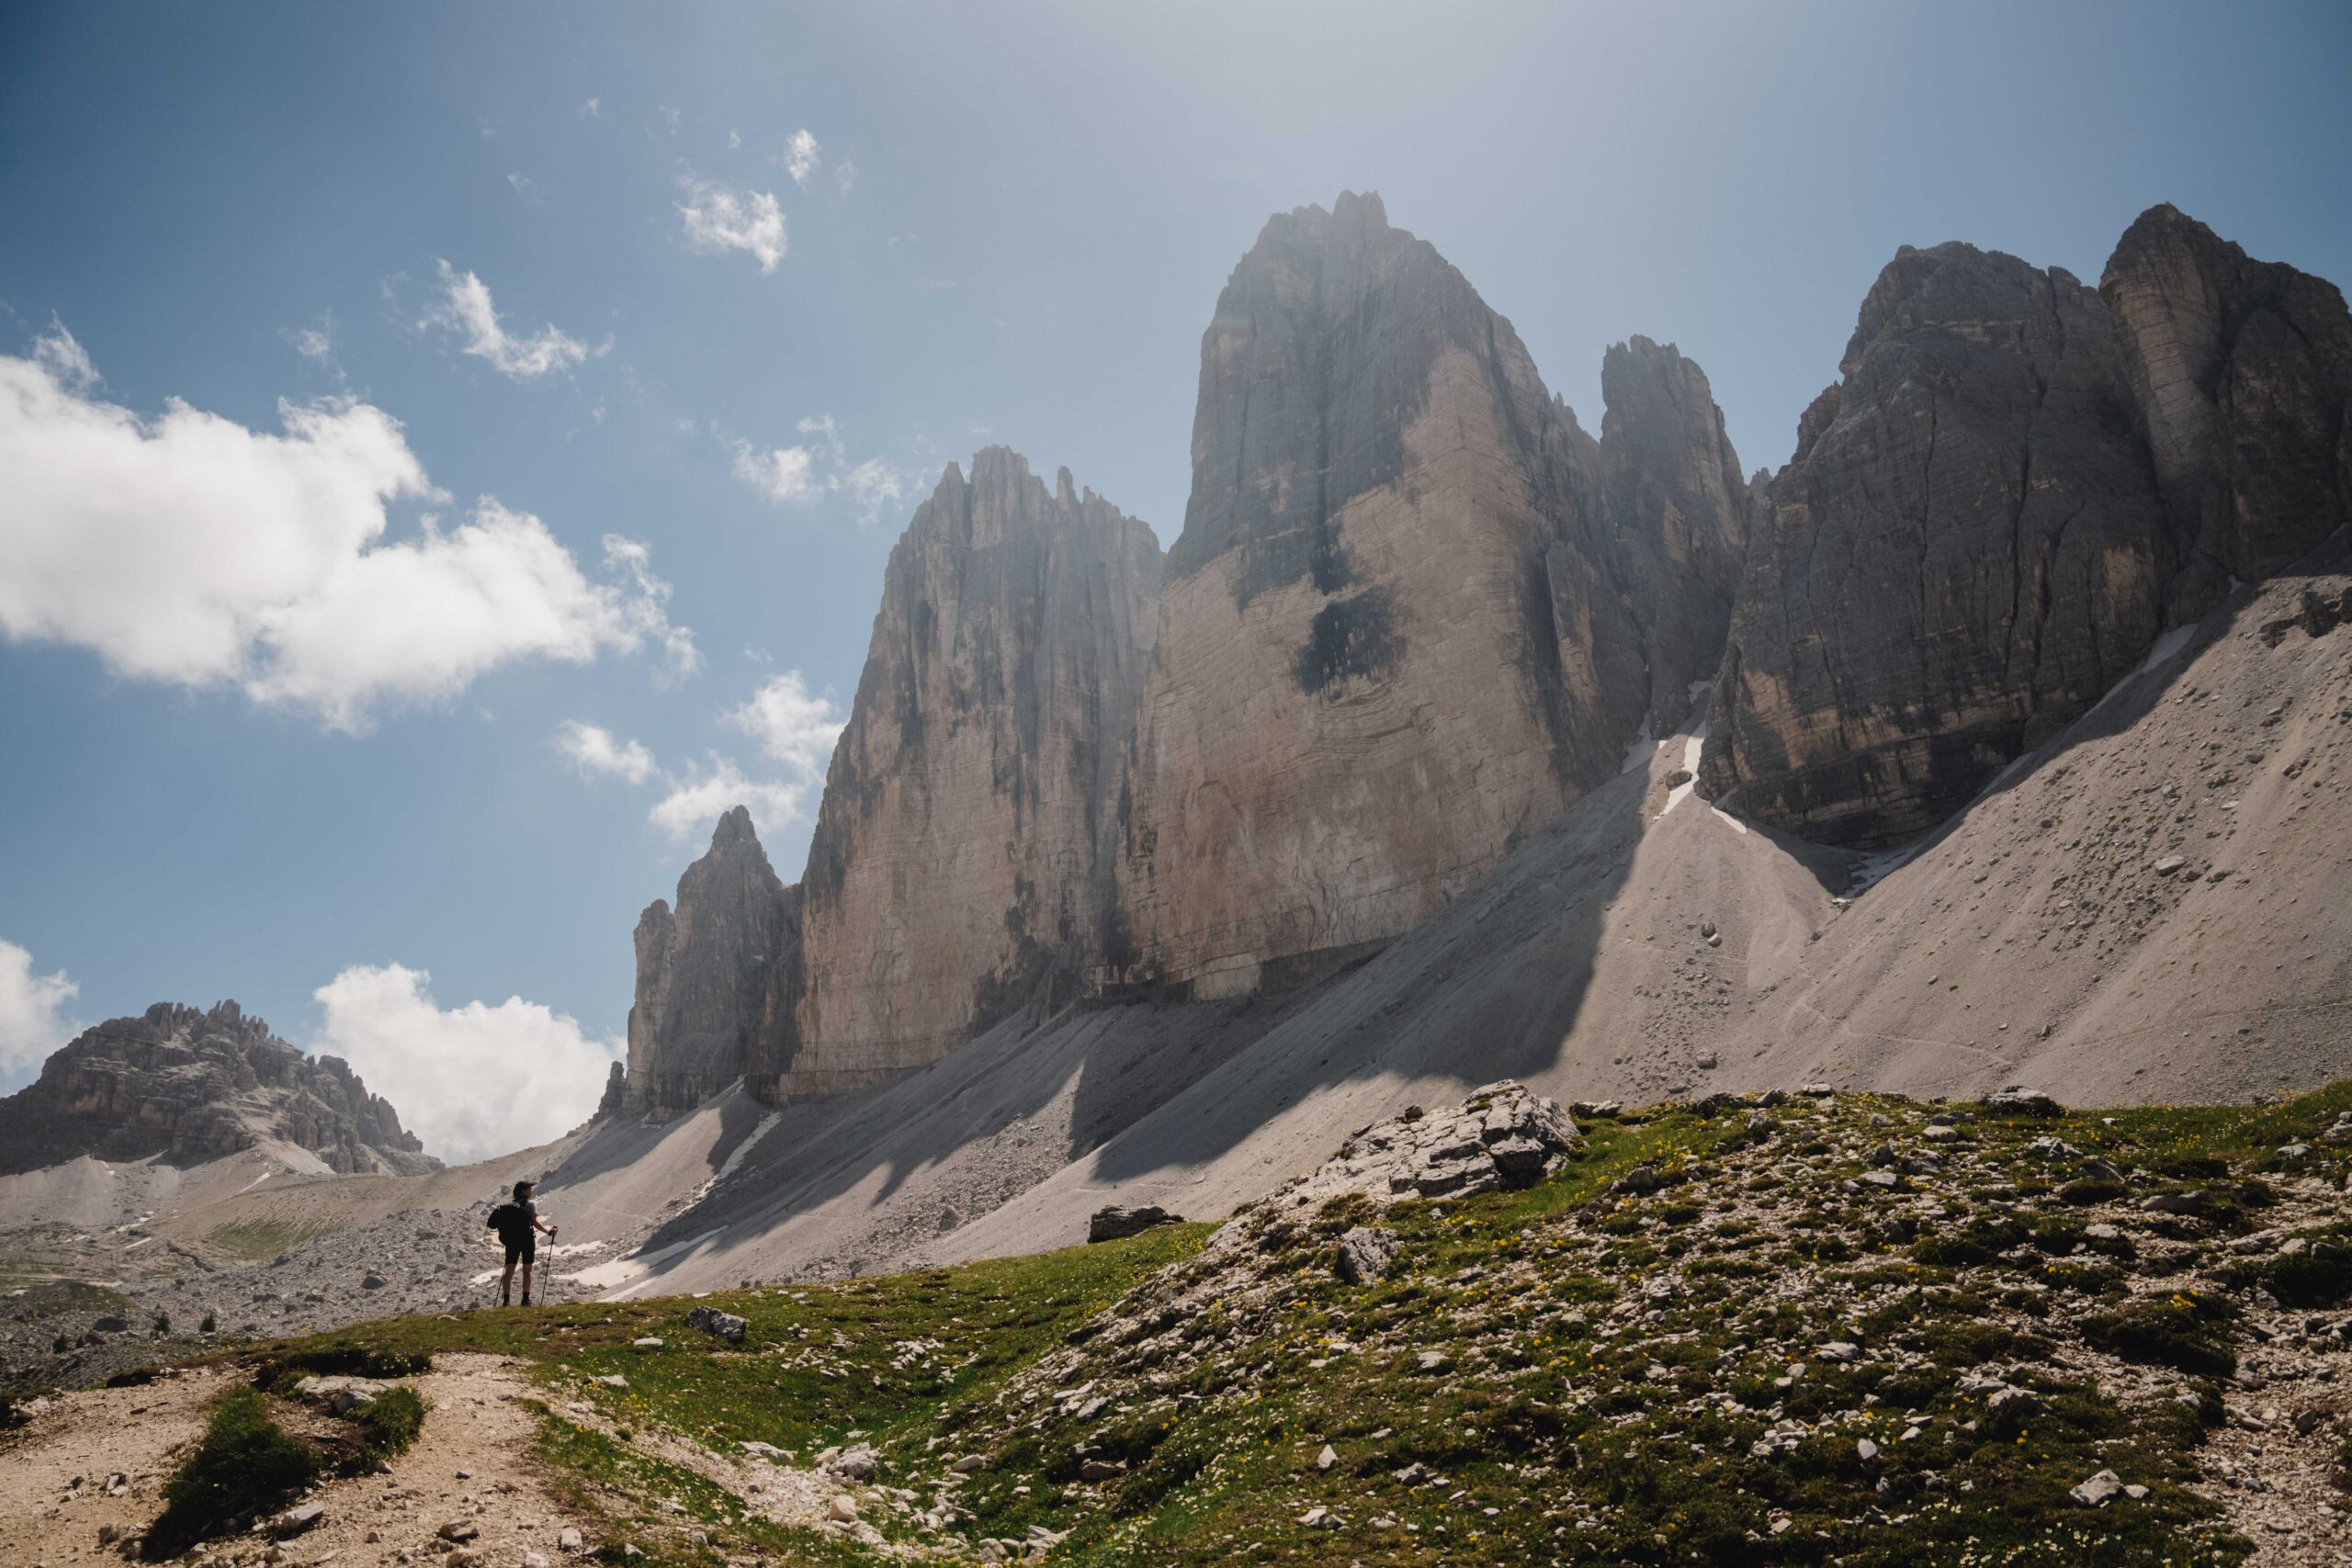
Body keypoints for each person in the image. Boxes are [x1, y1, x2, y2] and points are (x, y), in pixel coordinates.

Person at [488, 1179, 559, 1306]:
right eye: (529, 1189)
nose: (531, 1191)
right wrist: (548, 1231)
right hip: (527, 1240)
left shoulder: (508, 1206)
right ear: (523, 1191)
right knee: (527, 1270)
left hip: (511, 1241)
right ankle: (525, 1300)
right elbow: (535, 1222)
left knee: (509, 1270)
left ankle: (506, 1301)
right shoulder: (530, 1205)